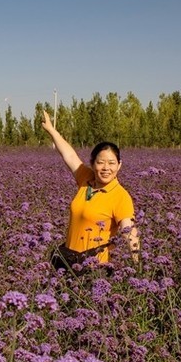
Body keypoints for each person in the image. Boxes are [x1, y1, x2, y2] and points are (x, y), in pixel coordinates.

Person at [39, 109, 139, 268]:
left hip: (93, 268)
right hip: (68, 259)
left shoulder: (120, 196)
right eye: (101, 162)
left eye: (112, 163)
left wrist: (137, 264)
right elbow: (70, 155)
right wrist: (51, 130)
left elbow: (129, 231)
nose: (106, 168)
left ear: (119, 165)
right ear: (92, 164)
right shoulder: (86, 178)